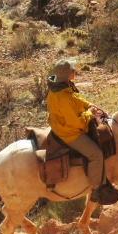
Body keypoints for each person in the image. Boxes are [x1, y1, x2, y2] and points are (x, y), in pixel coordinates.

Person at [47, 58, 105, 203]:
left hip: (63, 125)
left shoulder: (62, 86)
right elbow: (76, 124)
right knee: (96, 154)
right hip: (69, 133)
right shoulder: (63, 98)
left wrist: (89, 105)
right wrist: (90, 113)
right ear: (68, 74)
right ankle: (95, 189)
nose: (75, 70)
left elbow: (77, 100)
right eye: (73, 70)